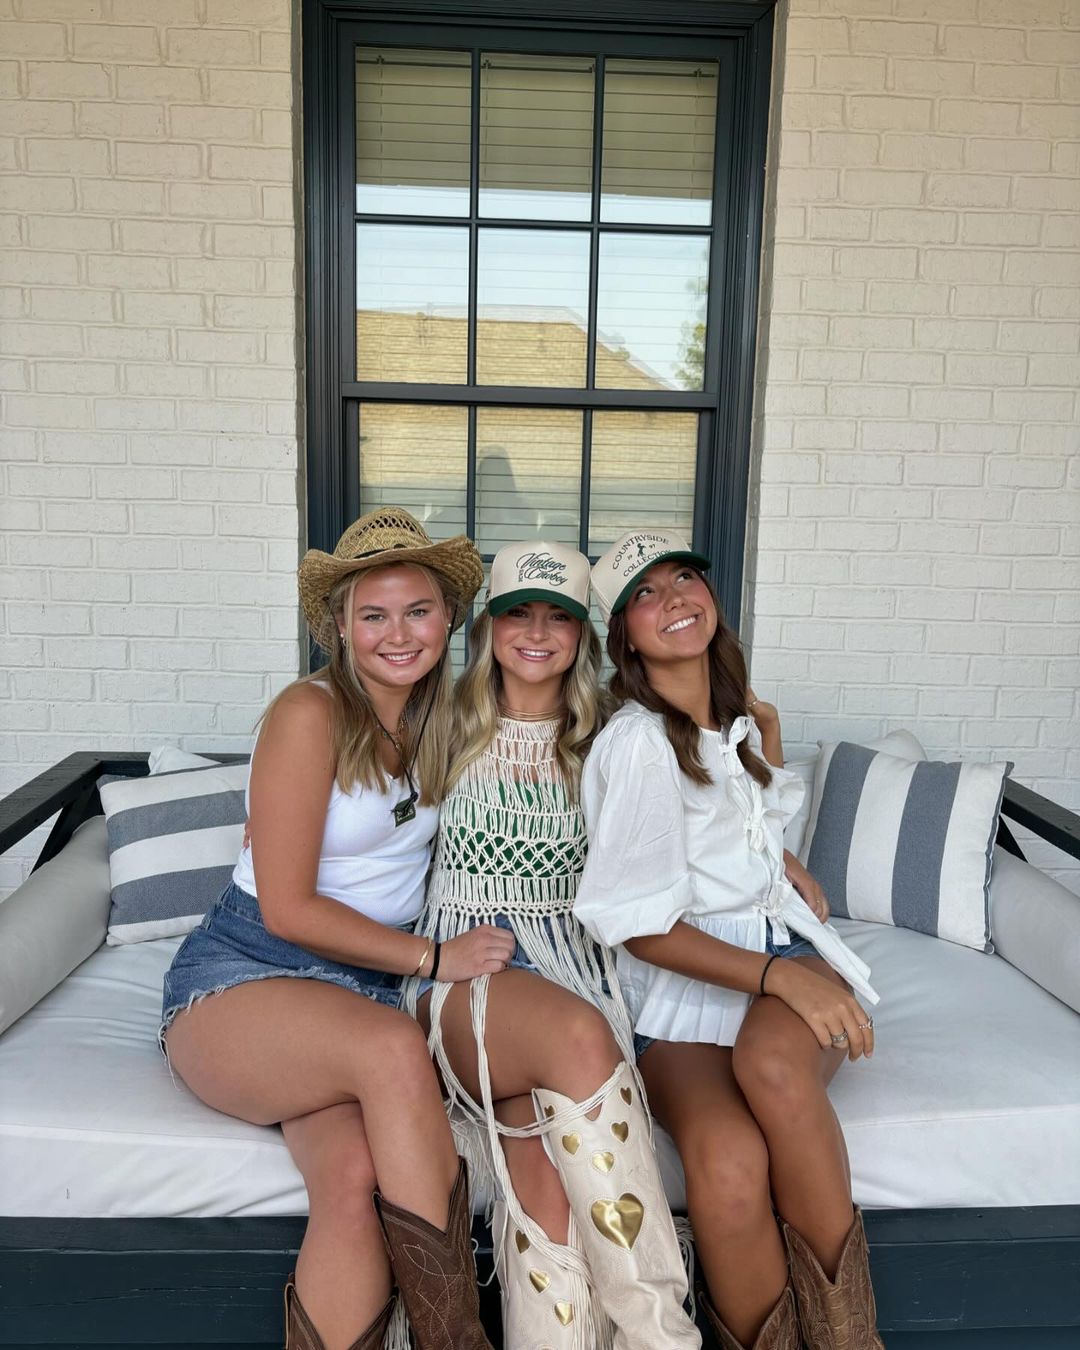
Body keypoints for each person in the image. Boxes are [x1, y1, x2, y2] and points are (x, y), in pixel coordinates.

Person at [160, 507, 508, 1350]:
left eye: (418, 611)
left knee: (351, 1177)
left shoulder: (445, 718)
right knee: (391, 1047)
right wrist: (433, 956)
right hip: (248, 969)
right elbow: (288, 909)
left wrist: (757, 847)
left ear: (448, 620)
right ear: (343, 628)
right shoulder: (308, 714)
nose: (399, 634)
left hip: (357, 990)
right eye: (373, 615)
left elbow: (568, 766)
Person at [574, 529, 884, 1350]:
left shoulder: (733, 719)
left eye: (684, 578)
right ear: (624, 636)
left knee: (773, 1065)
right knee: (726, 1162)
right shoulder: (639, 743)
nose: (673, 598)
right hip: (687, 986)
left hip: (780, 948)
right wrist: (780, 979)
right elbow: (639, 925)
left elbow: (748, 828)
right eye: (645, 594)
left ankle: (848, 1339)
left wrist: (767, 753)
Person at [404, 541, 701, 1350]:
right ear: (487, 628)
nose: (537, 633)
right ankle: (664, 1338)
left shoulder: (614, 737)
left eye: (558, 618)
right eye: (518, 614)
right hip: (463, 977)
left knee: (544, 1178)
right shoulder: (436, 721)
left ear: (582, 636)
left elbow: (708, 821)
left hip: (578, 975)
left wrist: (777, 860)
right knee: (576, 1037)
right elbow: (355, 814)